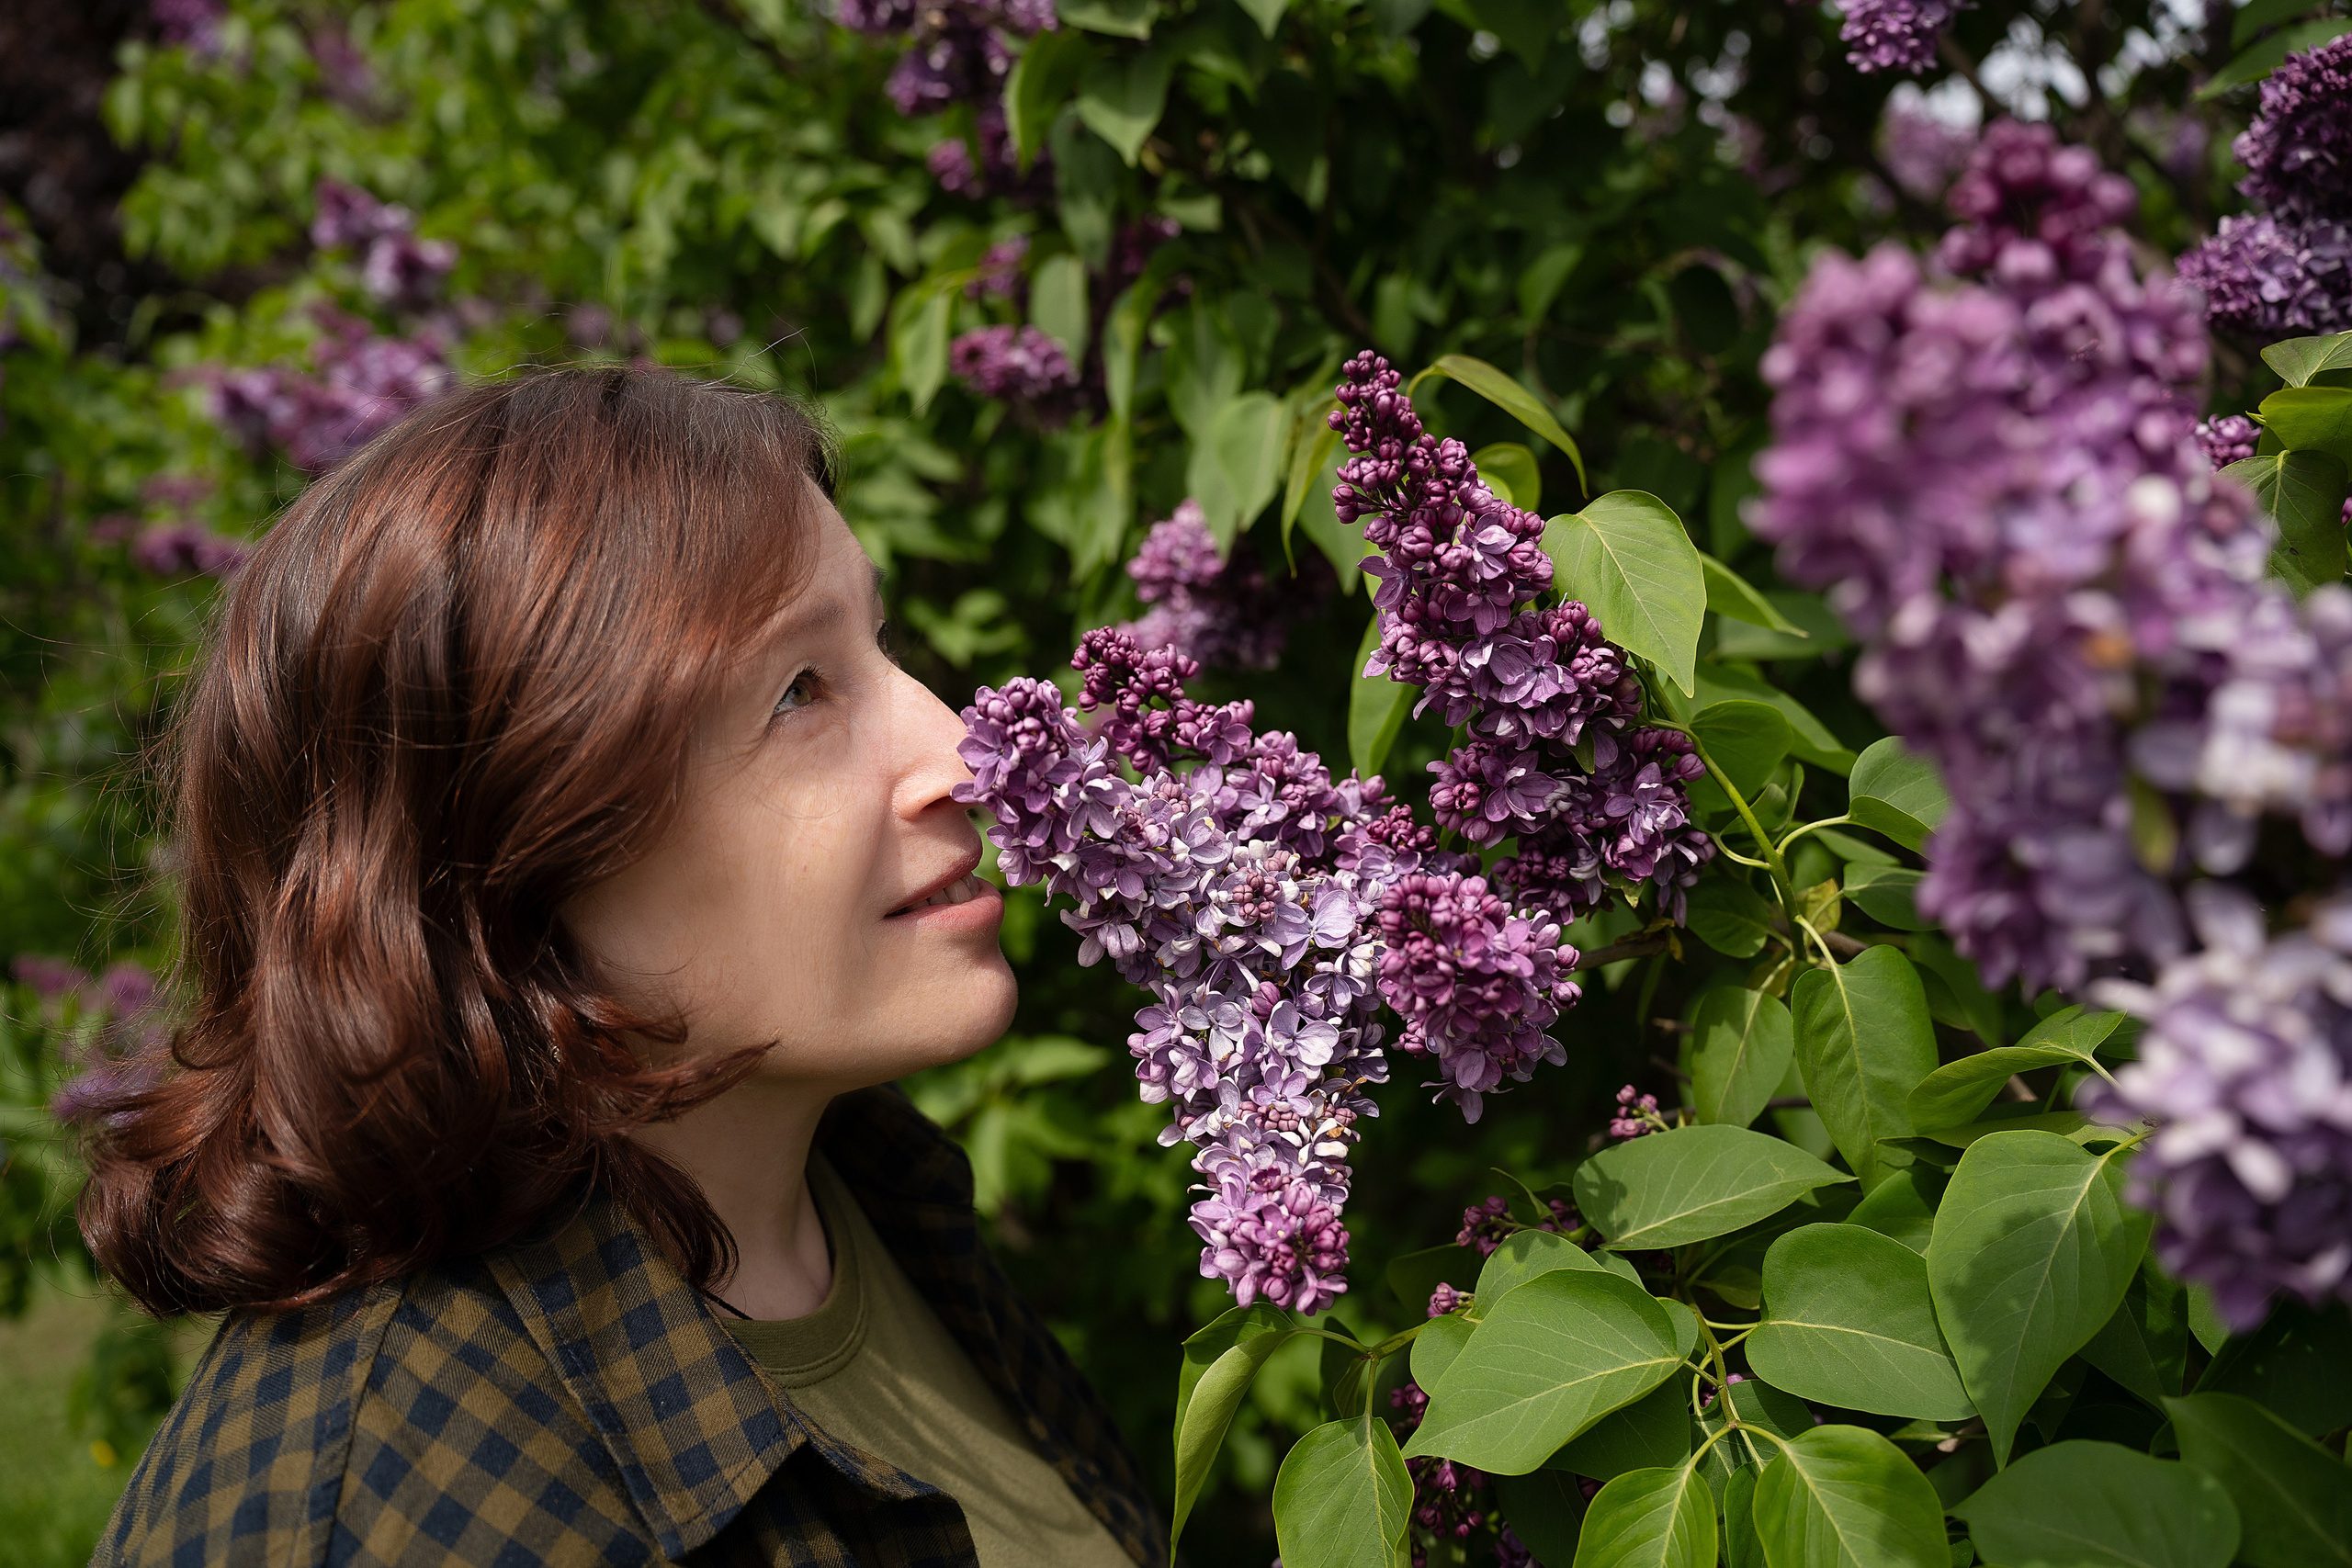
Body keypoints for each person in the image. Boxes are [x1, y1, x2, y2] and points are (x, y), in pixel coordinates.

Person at [75, 368, 1164, 1567]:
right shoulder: (386, 1508)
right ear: (509, 854)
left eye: (879, 646)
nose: (962, 750)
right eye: (797, 691)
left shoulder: (872, 1211)